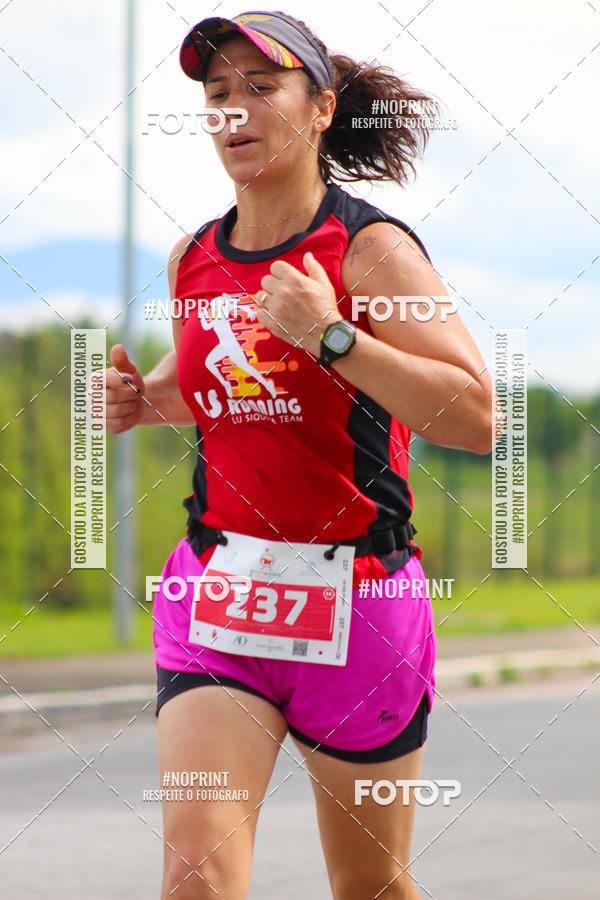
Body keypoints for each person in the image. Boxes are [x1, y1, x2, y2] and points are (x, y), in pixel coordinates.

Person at [106, 10, 493, 899]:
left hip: (357, 605)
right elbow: (216, 389)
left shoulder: (370, 251)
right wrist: (143, 402)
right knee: (194, 874)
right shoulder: (194, 257)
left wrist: (333, 336)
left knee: (370, 888)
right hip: (220, 595)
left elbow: (474, 417)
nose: (233, 110)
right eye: (216, 94)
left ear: (319, 107)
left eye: (260, 87)